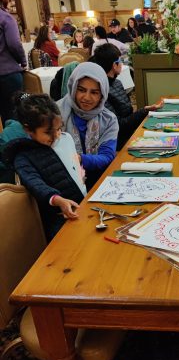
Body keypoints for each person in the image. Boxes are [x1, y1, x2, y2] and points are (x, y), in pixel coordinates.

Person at [4, 93, 86, 242]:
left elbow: (75, 167)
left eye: (58, 128)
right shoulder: (23, 157)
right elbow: (35, 184)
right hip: (56, 220)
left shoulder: (65, 139)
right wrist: (57, 199)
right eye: (48, 132)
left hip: (81, 207)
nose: (56, 136)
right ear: (28, 129)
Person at [57, 62, 118, 190]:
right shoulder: (55, 113)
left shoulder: (108, 119)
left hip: (99, 181)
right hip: (62, 183)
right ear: (73, 88)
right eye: (81, 90)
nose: (86, 97)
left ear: (102, 94)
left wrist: (79, 159)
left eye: (94, 92)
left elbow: (107, 156)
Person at [92, 43, 162, 150]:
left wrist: (144, 111)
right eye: (119, 61)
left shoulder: (117, 83)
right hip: (119, 143)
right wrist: (143, 111)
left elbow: (127, 114)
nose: (121, 64)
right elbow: (118, 126)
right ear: (114, 65)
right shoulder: (101, 90)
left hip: (131, 134)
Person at [0, 0, 27, 126]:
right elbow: (14, 44)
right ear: (6, 2)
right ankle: (17, 144)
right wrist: (23, 61)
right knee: (15, 113)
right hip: (8, 74)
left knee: (4, 115)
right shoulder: (6, 18)